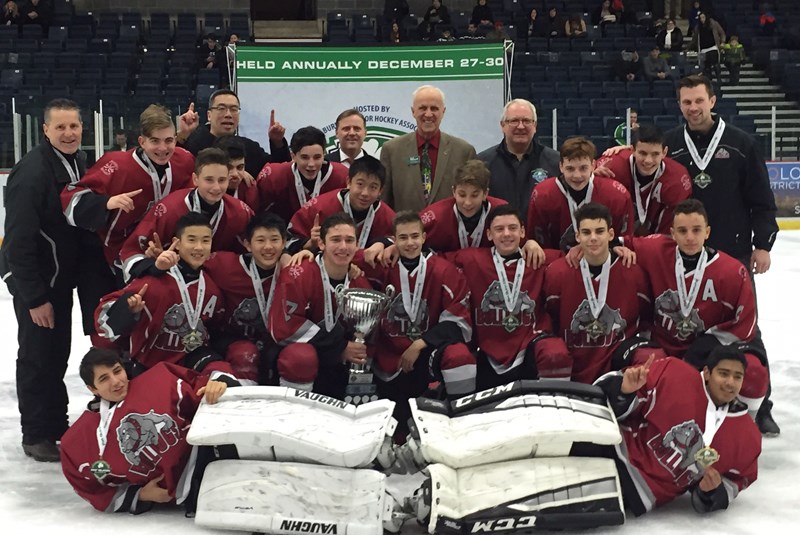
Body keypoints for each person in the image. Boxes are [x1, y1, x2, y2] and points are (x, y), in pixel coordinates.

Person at [0, 99, 116, 462]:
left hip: (60, 281)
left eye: (74, 127)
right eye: (60, 127)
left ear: (83, 128)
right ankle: (36, 433)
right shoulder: (32, 172)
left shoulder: (79, 162)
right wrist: (34, 296)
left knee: (56, 355)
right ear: (46, 130)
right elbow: (18, 239)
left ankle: (55, 425)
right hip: (38, 282)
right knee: (38, 357)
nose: (68, 133)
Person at [628, 199, 769, 416]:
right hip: (663, 345)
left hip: (711, 350)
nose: (690, 237)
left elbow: (745, 324)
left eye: (696, 230)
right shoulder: (656, 249)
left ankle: (744, 423)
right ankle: (655, 418)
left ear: (707, 232)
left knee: (755, 373)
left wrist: (702, 350)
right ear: (672, 233)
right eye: (683, 231)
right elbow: (611, 242)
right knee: (643, 364)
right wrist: (615, 247)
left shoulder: (732, 271)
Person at [60, 348, 236, 514]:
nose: (116, 382)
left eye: (117, 371)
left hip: (214, 453)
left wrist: (216, 384)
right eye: (104, 379)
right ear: (92, 389)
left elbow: (203, 382)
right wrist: (141, 495)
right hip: (193, 492)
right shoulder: (79, 442)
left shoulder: (160, 379)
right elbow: (91, 488)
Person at [595, 347, 761, 516]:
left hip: (637, 490)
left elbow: (734, 481)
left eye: (737, 377)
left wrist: (710, 492)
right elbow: (604, 396)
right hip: (612, 445)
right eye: (724, 374)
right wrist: (624, 391)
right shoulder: (674, 373)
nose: (730, 383)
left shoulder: (748, 436)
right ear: (707, 372)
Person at [355, 211, 475, 431]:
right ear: (394, 239)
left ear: (424, 237)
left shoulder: (443, 270)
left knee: (459, 355)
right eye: (402, 238)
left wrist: (419, 344)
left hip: (425, 355)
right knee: (396, 427)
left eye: (414, 236)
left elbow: (459, 322)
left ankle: (464, 421)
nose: (410, 243)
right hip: (387, 356)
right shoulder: (382, 264)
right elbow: (341, 257)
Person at [61, 104, 195, 276]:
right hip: (108, 258)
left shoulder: (184, 161)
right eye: (155, 141)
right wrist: (106, 202)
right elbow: (70, 198)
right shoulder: (117, 165)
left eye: (169, 140)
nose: (163, 148)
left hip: (162, 257)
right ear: (142, 141)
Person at [96, 213, 234, 376]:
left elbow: (216, 328)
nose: (199, 247)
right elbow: (102, 323)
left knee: (223, 375)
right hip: (150, 368)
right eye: (191, 240)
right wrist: (128, 309)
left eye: (205, 240)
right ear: (177, 243)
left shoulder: (212, 289)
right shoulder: (153, 282)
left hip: (192, 362)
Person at [450, 205, 568, 389]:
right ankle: (461, 412)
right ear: (489, 234)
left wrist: (617, 246)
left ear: (522, 231)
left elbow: (585, 254)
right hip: (486, 350)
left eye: (512, 228)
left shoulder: (541, 257)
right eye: (499, 229)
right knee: (455, 355)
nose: (506, 234)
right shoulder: (470, 259)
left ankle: (555, 406)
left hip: (530, 345)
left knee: (555, 352)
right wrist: (391, 246)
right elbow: (425, 258)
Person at [544, 203, 653, 384]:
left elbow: (646, 317)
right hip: (574, 363)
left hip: (617, 365)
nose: (593, 238)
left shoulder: (633, 272)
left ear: (611, 234)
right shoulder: (557, 273)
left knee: (651, 355)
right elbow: (551, 315)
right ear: (577, 236)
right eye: (586, 232)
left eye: (599, 231)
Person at [269, 212, 373, 399]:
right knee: (300, 357)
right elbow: (284, 329)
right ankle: (294, 410)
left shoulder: (360, 283)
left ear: (357, 245)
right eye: (336, 240)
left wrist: (355, 349)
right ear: (322, 244)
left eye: (349, 240)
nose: (343, 246)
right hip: (303, 358)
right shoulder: (297, 274)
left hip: (338, 360)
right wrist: (339, 346)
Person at [120, 147, 253, 281]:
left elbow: (251, 251)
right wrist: (155, 264)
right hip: (173, 282)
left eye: (222, 180)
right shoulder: (169, 209)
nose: (216, 187)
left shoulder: (240, 212)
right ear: (195, 179)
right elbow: (132, 250)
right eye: (209, 180)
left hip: (217, 284)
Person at [203, 212, 289, 385]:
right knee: (245, 353)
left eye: (274, 239)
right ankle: (242, 404)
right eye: (260, 240)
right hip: (235, 340)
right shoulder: (224, 265)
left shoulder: (293, 269)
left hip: (277, 340)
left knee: (300, 356)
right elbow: (192, 260)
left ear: (284, 243)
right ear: (247, 244)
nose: (268, 247)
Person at [526, 137, 633, 254]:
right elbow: (538, 244)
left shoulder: (616, 195)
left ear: (593, 165)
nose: (577, 176)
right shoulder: (543, 194)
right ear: (561, 166)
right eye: (570, 168)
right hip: (557, 265)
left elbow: (623, 242)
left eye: (583, 168)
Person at [380, 85, 476, 212]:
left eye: (434, 108)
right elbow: (384, 203)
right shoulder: (391, 150)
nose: (428, 114)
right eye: (423, 108)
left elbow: (473, 200)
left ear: (443, 112)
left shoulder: (464, 151)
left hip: (449, 230)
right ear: (413, 111)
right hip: (406, 229)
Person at [595, 123, 692, 236]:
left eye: (655, 154)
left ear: (664, 152)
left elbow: (671, 232)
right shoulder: (611, 166)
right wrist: (591, 178)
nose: (648, 160)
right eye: (642, 153)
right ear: (632, 149)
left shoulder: (677, 178)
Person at [287, 155, 394, 256]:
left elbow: (401, 239)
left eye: (373, 187)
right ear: (349, 182)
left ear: (380, 191)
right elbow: (288, 241)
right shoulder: (319, 207)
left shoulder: (386, 216)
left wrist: (383, 243)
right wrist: (310, 243)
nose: (365, 193)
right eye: (360, 184)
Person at [477, 99, 560, 223]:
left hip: (540, 240)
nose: (521, 126)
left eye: (526, 121)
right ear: (502, 125)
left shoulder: (556, 162)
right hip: (497, 239)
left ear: (535, 126)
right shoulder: (482, 163)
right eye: (514, 121)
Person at [177, 89, 291, 178]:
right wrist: (182, 135)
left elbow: (276, 173)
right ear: (209, 115)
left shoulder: (249, 148)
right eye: (221, 108)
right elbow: (174, 168)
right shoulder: (193, 144)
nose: (228, 114)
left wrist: (277, 143)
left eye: (234, 109)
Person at [257, 126, 349, 224]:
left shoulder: (341, 176)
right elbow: (259, 218)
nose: (311, 164)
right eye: (304, 157)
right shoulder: (274, 176)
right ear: (293, 156)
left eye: (317, 157)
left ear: (324, 154)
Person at [419, 160, 508, 253]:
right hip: (444, 266)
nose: (467, 202)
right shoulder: (435, 215)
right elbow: (408, 232)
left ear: (485, 193)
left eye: (474, 195)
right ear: (453, 191)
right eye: (462, 195)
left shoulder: (503, 212)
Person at [212, 134, 260, 211]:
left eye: (240, 167)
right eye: (229, 168)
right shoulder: (202, 189)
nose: (235, 174)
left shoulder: (249, 189)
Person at [692, 12, 725, 83]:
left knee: (715, 64)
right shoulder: (698, 27)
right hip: (703, 50)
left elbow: (722, 33)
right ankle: (709, 81)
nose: (702, 19)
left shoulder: (714, 24)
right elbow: (695, 39)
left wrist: (722, 42)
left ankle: (719, 79)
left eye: (703, 17)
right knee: (707, 67)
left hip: (713, 47)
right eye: (700, 18)